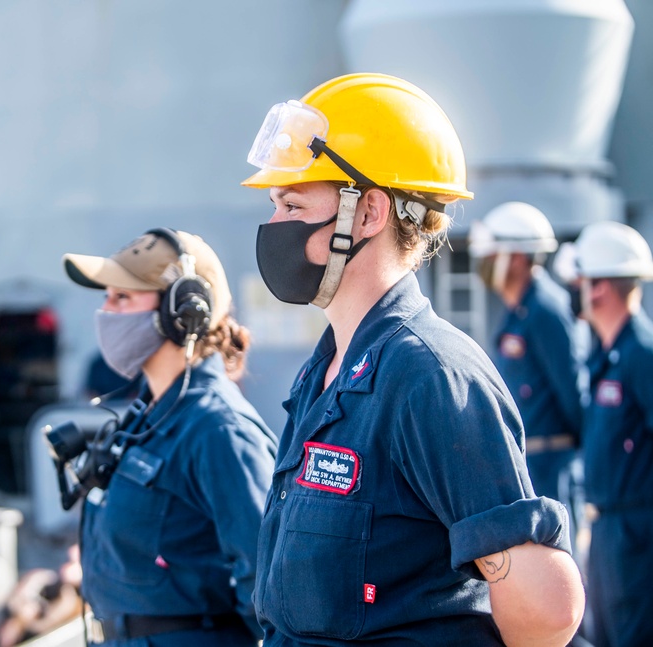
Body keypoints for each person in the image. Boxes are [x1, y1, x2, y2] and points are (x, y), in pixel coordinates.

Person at [241, 72, 584, 646]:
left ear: (369, 212)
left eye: (292, 203)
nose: (273, 225)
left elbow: (546, 615)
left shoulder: (430, 377)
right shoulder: (323, 374)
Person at [61, 228, 277, 646]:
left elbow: (267, 584)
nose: (105, 312)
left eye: (122, 297)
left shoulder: (219, 430)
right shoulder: (146, 416)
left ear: (184, 311)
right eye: (107, 297)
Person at [561, 221, 653, 647]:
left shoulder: (642, 354)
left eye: (579, 281)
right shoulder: (607, 354)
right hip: (606, 533)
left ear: (598, 288)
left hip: (636, 536)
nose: (573, 291)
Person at [468, 202, 586, 527]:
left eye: (491, 256)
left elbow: (572, 392)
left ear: (517, 257)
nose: (484, 264)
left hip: (549, 467)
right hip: (526, 464)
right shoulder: (517, 311)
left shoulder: (546, 309)